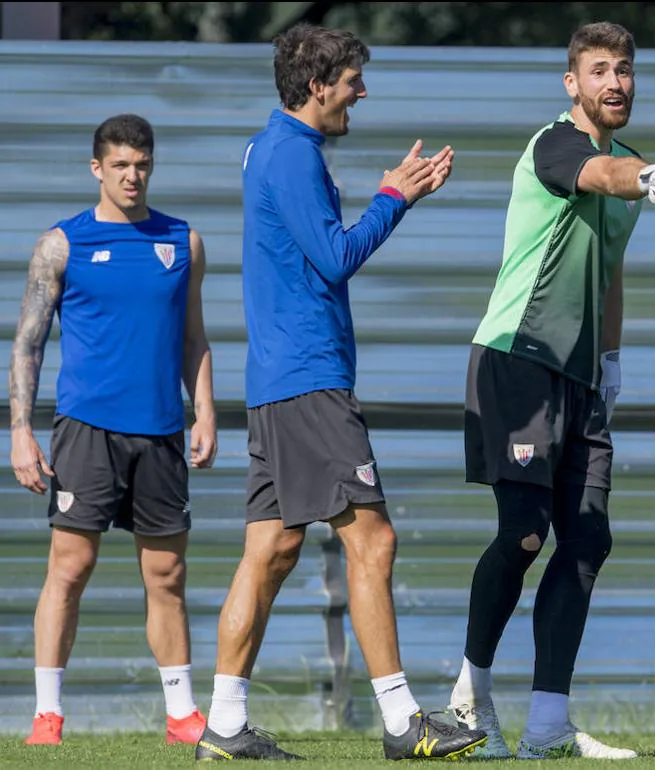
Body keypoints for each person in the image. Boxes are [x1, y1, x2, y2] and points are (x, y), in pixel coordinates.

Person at [193, 24, 485, 762]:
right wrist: (396, 197)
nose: (362, 90)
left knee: (271, 548)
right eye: (353, 79)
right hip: (309, 382)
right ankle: (402, 723)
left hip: (279, 384)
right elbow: (334, 258)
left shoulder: (273, 146)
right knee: (373, 539)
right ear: (318, 84)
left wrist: (392, 192)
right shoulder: (293, 154)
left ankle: (223, 725)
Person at [449, 20, 655, 761]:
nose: (614, 83)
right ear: (572, 83)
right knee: (525, 533)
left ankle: (549, 723)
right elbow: (601, 177)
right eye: (598, 70)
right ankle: (471, 697)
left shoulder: (630, 163)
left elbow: (611, 269)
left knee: (587, 537)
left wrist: (614, 363)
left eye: (623, 69)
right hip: (517, 360)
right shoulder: (557, 144)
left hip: (583, 373)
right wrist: (646, 178)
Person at [8, 113, 217, 747]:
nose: (133, 175)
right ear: (97, 168)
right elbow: (27, 344)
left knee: (168, 575)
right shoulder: (60, 244)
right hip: (86, 431)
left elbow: (193, 337)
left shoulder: (184, 241)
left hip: (160, 433)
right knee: (70, 568)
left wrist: (205, 410)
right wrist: (20, 431)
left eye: (142, 165)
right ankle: (48, 715)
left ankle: (182, 716)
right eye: (120, 165)